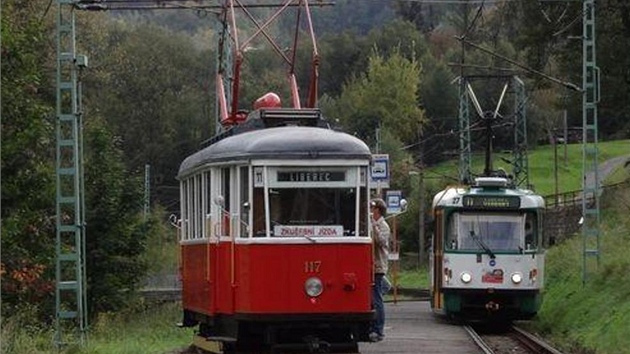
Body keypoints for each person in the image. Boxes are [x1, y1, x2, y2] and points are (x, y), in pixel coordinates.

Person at [368, 198, 390, 342]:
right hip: (370, 266)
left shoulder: (383, 225)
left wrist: (374, 226)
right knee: (372, 298)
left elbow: (381, 241)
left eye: (372, 209)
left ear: (378, 210)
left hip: (378, 266)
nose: (370, 211)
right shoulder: (371, 224)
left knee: (377, 299)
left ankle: (379, 330)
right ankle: (372, 327)